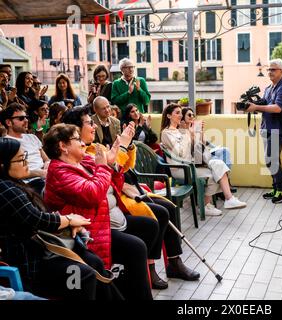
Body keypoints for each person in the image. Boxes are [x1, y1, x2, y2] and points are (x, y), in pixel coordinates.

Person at [61, 106, 200, 289]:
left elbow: (120, 170)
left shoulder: (96, 148)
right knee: (158, 214)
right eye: (89, 123)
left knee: (168, 208)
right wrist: (123, 147)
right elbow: (105, 178)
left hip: (122, 195)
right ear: (75, 130)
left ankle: (173, 261)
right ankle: (150, 268)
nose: (94, 126)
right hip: (111, 208)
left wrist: (129, 146)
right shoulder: (78, 158)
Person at [43, 124, 154, 299]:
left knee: (143, 236)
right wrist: (103, 167)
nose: (82, 143)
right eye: (77, 139)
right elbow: (93, 194)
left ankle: (132, 288)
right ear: (63, 146)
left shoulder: (84, 161)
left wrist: (112, 164)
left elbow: (113, 186)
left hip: (100, 225)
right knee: (136, 247)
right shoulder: (59, 171)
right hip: (83, 235)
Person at [0, 137, 112, 300]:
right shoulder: (5, 188)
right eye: (21, 159)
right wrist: (69, 221)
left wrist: (68, 224)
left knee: (94, 262)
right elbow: (37, 219)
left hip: (46, 247)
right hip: (31, 259)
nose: (27, 162)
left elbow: (42, 214)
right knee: (81, 274)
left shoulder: (16, 183)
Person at [161, 103, 246, 216]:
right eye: (177, 113)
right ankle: (207, 205)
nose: (180, 115)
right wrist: (187, 133)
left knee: (218, 164)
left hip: (191, 164)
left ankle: (228, 199)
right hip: (181, 169)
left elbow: (196, 149)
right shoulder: (166, 133)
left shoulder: (180, 130)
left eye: (181, 113)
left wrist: (198, 133)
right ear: (168, 116)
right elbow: (179, 152)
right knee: (214, 173)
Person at [245, 58, 282, 204]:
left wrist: (256, 107)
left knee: (271, 160)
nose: (270, 72)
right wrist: (253, 104)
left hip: (277, 130)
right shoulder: (268, 88)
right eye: (269, 69)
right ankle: (276, 187)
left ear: (281, 71)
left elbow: (277, 108)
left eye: (273, 69)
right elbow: (265, 105)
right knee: (271, 161)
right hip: (266, 128)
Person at [0, 103, 49, 194]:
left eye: (26, 117)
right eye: (21, 118)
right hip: (30, 183)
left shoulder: (32, 137)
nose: (26, 120)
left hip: (47, 176)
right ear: (8, 122)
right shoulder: (7, 144)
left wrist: (47, 164)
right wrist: (40, 173)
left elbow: (46, 159)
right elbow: (13, 172)